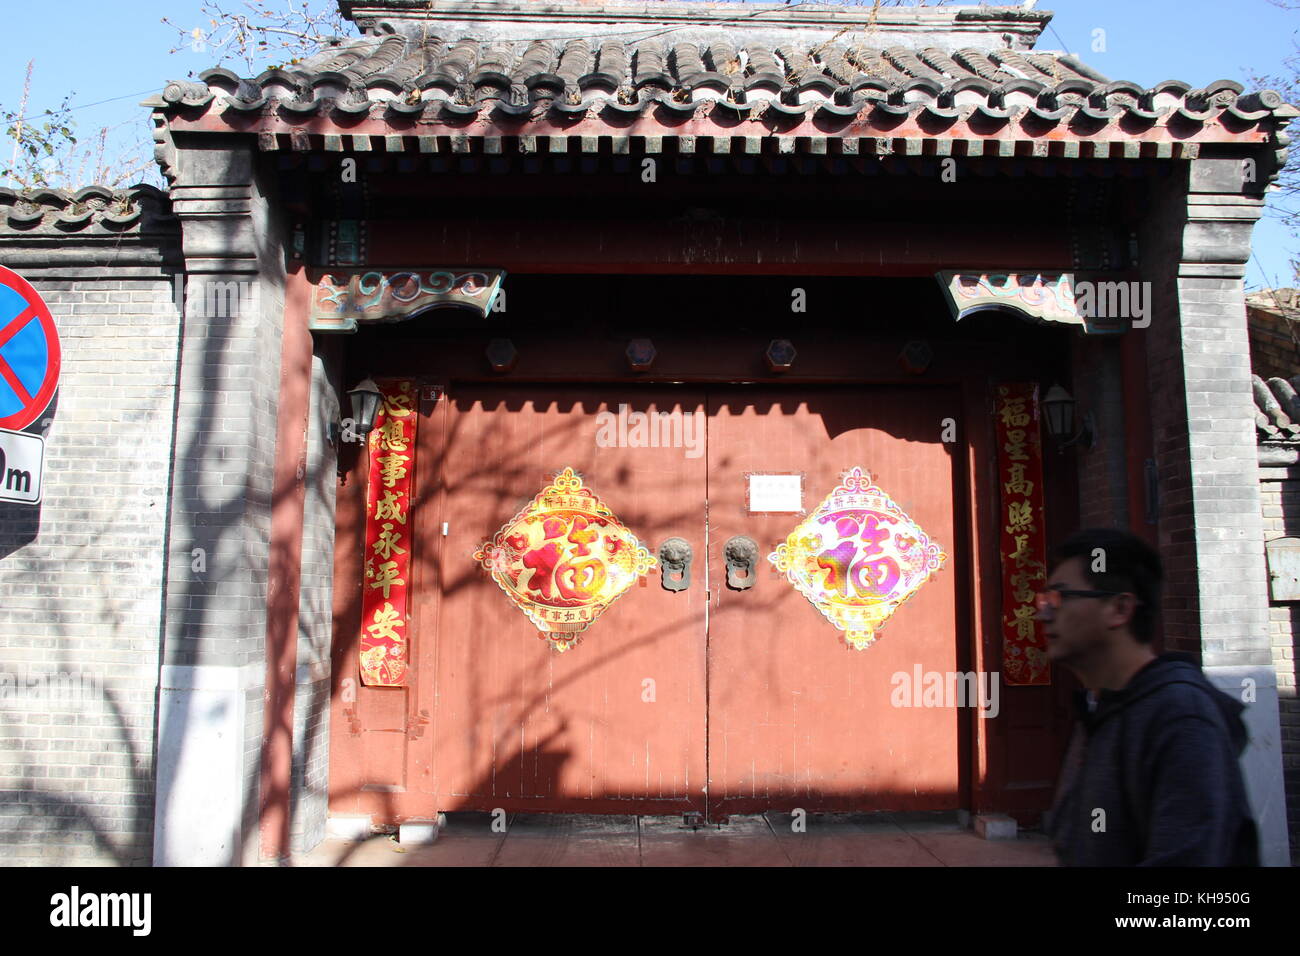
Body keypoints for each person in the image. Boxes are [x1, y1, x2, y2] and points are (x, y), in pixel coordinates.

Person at [1039, 528, 1259, 866]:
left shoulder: (1181, 718)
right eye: (1043, 601)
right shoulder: (1100, 709)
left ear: (1120, 608)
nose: (1044, 614)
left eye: (1059, 598)